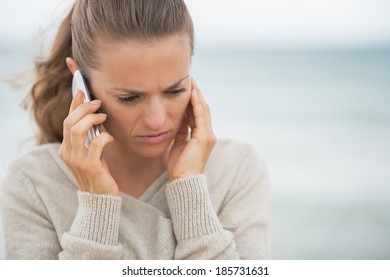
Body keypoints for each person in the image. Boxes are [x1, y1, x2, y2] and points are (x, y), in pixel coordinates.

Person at [0, 0, 270, 259]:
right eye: (129, 98)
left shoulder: (236, 169)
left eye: (175, 90)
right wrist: (97, 206)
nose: (157, 120)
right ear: (79, 80)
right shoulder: (32, 183)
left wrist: (190, 189)